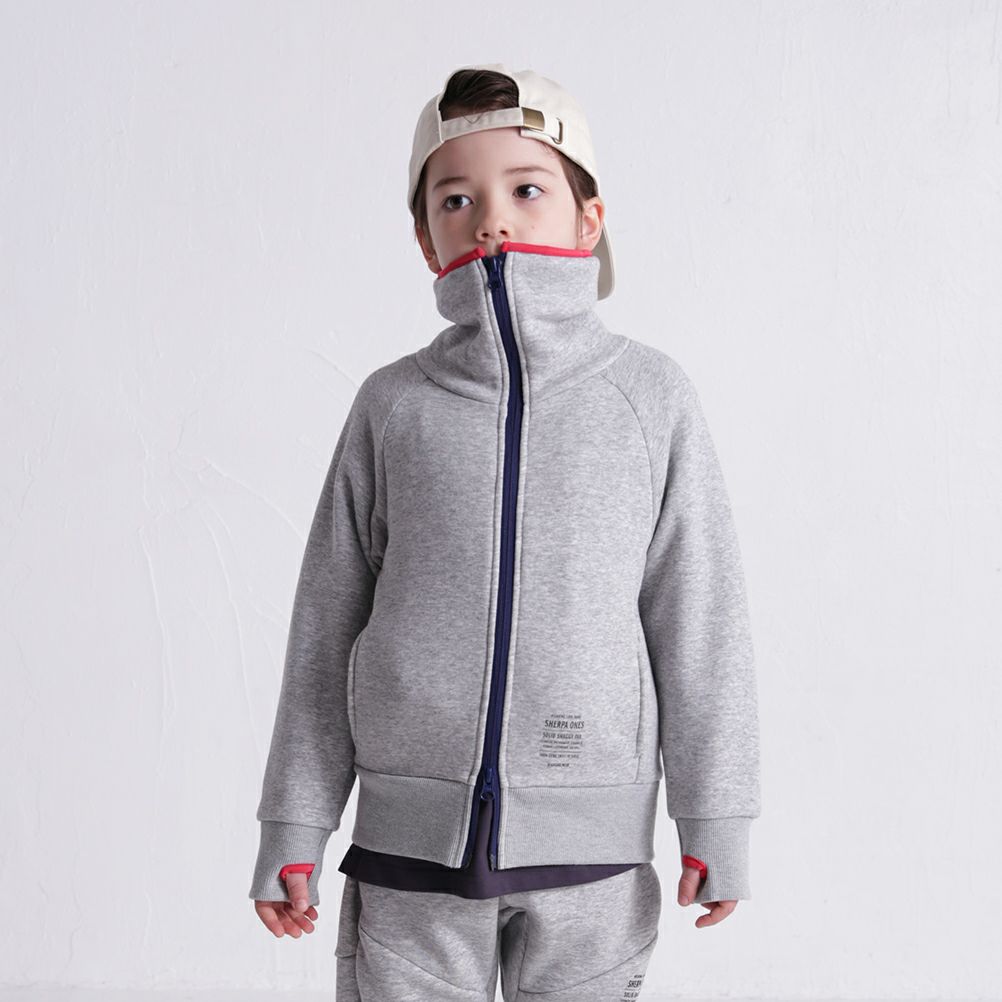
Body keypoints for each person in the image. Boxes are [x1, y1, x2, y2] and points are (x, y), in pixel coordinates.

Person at [249, 63, 762, 1001]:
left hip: (593, 862)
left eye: (527, 189)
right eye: (456, 199)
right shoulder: (392, 406)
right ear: (425, 238)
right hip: (410, 855)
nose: (491, 219)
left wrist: (715, 814)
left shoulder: (650, 398)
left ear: (588, 220)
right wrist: (294, 823)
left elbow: (700, 618)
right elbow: (326, 625)